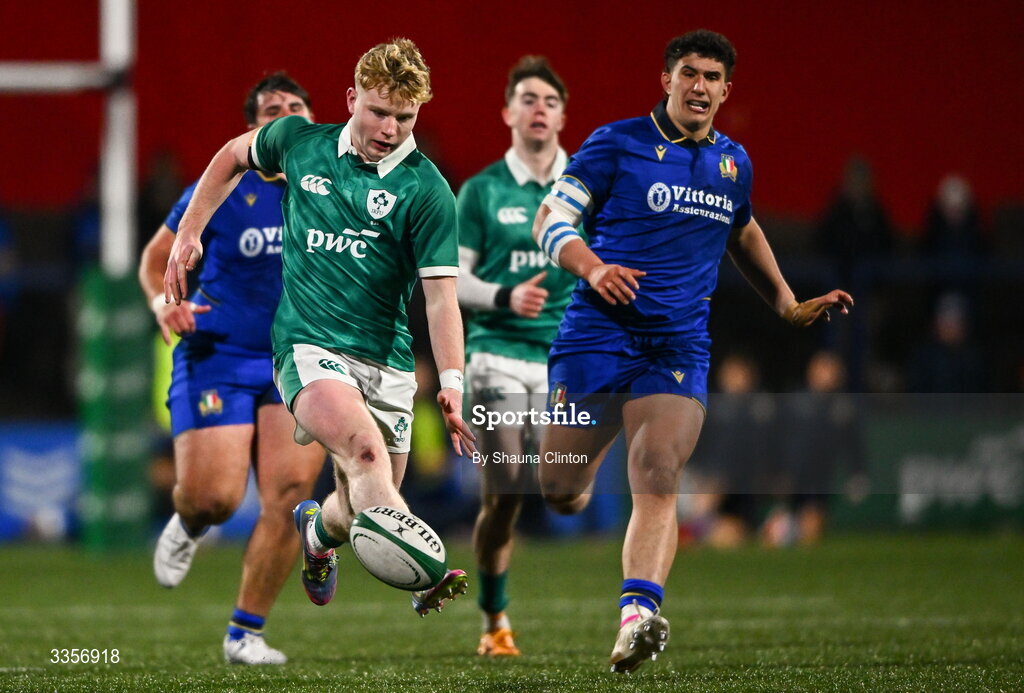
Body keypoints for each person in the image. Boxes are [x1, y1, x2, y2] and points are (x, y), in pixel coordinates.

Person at [530, 29, 853, 673]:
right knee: (559, 490)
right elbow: (550, 220)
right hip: (596, 336)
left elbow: (746, 230)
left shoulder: (733, 163)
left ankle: (636, 619)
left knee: (658, 474)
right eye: (688, 74)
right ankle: (582, 473)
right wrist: (594, 268)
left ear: (726, 89)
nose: (699, 85)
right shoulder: (615, 143)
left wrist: (787, 303)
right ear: (666, 80)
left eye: (711, 77)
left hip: (676, 346)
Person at [162, 39, 476, 621]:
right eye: (379, 112)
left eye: (404, 118)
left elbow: (440, 299)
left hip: (387, 359)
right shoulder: (300, 143)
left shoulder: (427, 190)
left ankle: (318, 533)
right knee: (365, 453)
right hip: (307, 347)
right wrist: (189, 232)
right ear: (352, 98)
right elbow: (232, 154)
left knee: (357, 504)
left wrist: (452, 380)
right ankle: (426, 576)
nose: (389, 128)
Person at [139, 72, 327, 665]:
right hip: (217, 351)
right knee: (216, 498)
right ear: (253, 128)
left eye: (296, 107)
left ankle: (245, 632)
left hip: (294, 360)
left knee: (291, 496)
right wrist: (164, 303)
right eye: (272, 109)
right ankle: (190, 521)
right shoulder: (222, 184)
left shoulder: (329, 187)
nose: (286, 115)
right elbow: (154, 259)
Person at [456, 56, 576, 657]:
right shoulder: (481, 190)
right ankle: (494, 619)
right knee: (506, 482)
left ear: (562, 116)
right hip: (496, 352)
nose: (538, 109)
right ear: (508, 112)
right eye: (527, 98)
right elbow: (454, 280)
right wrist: (506, 295)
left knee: (566, 495)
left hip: (566, 361)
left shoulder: (585, 186)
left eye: (550, 101)